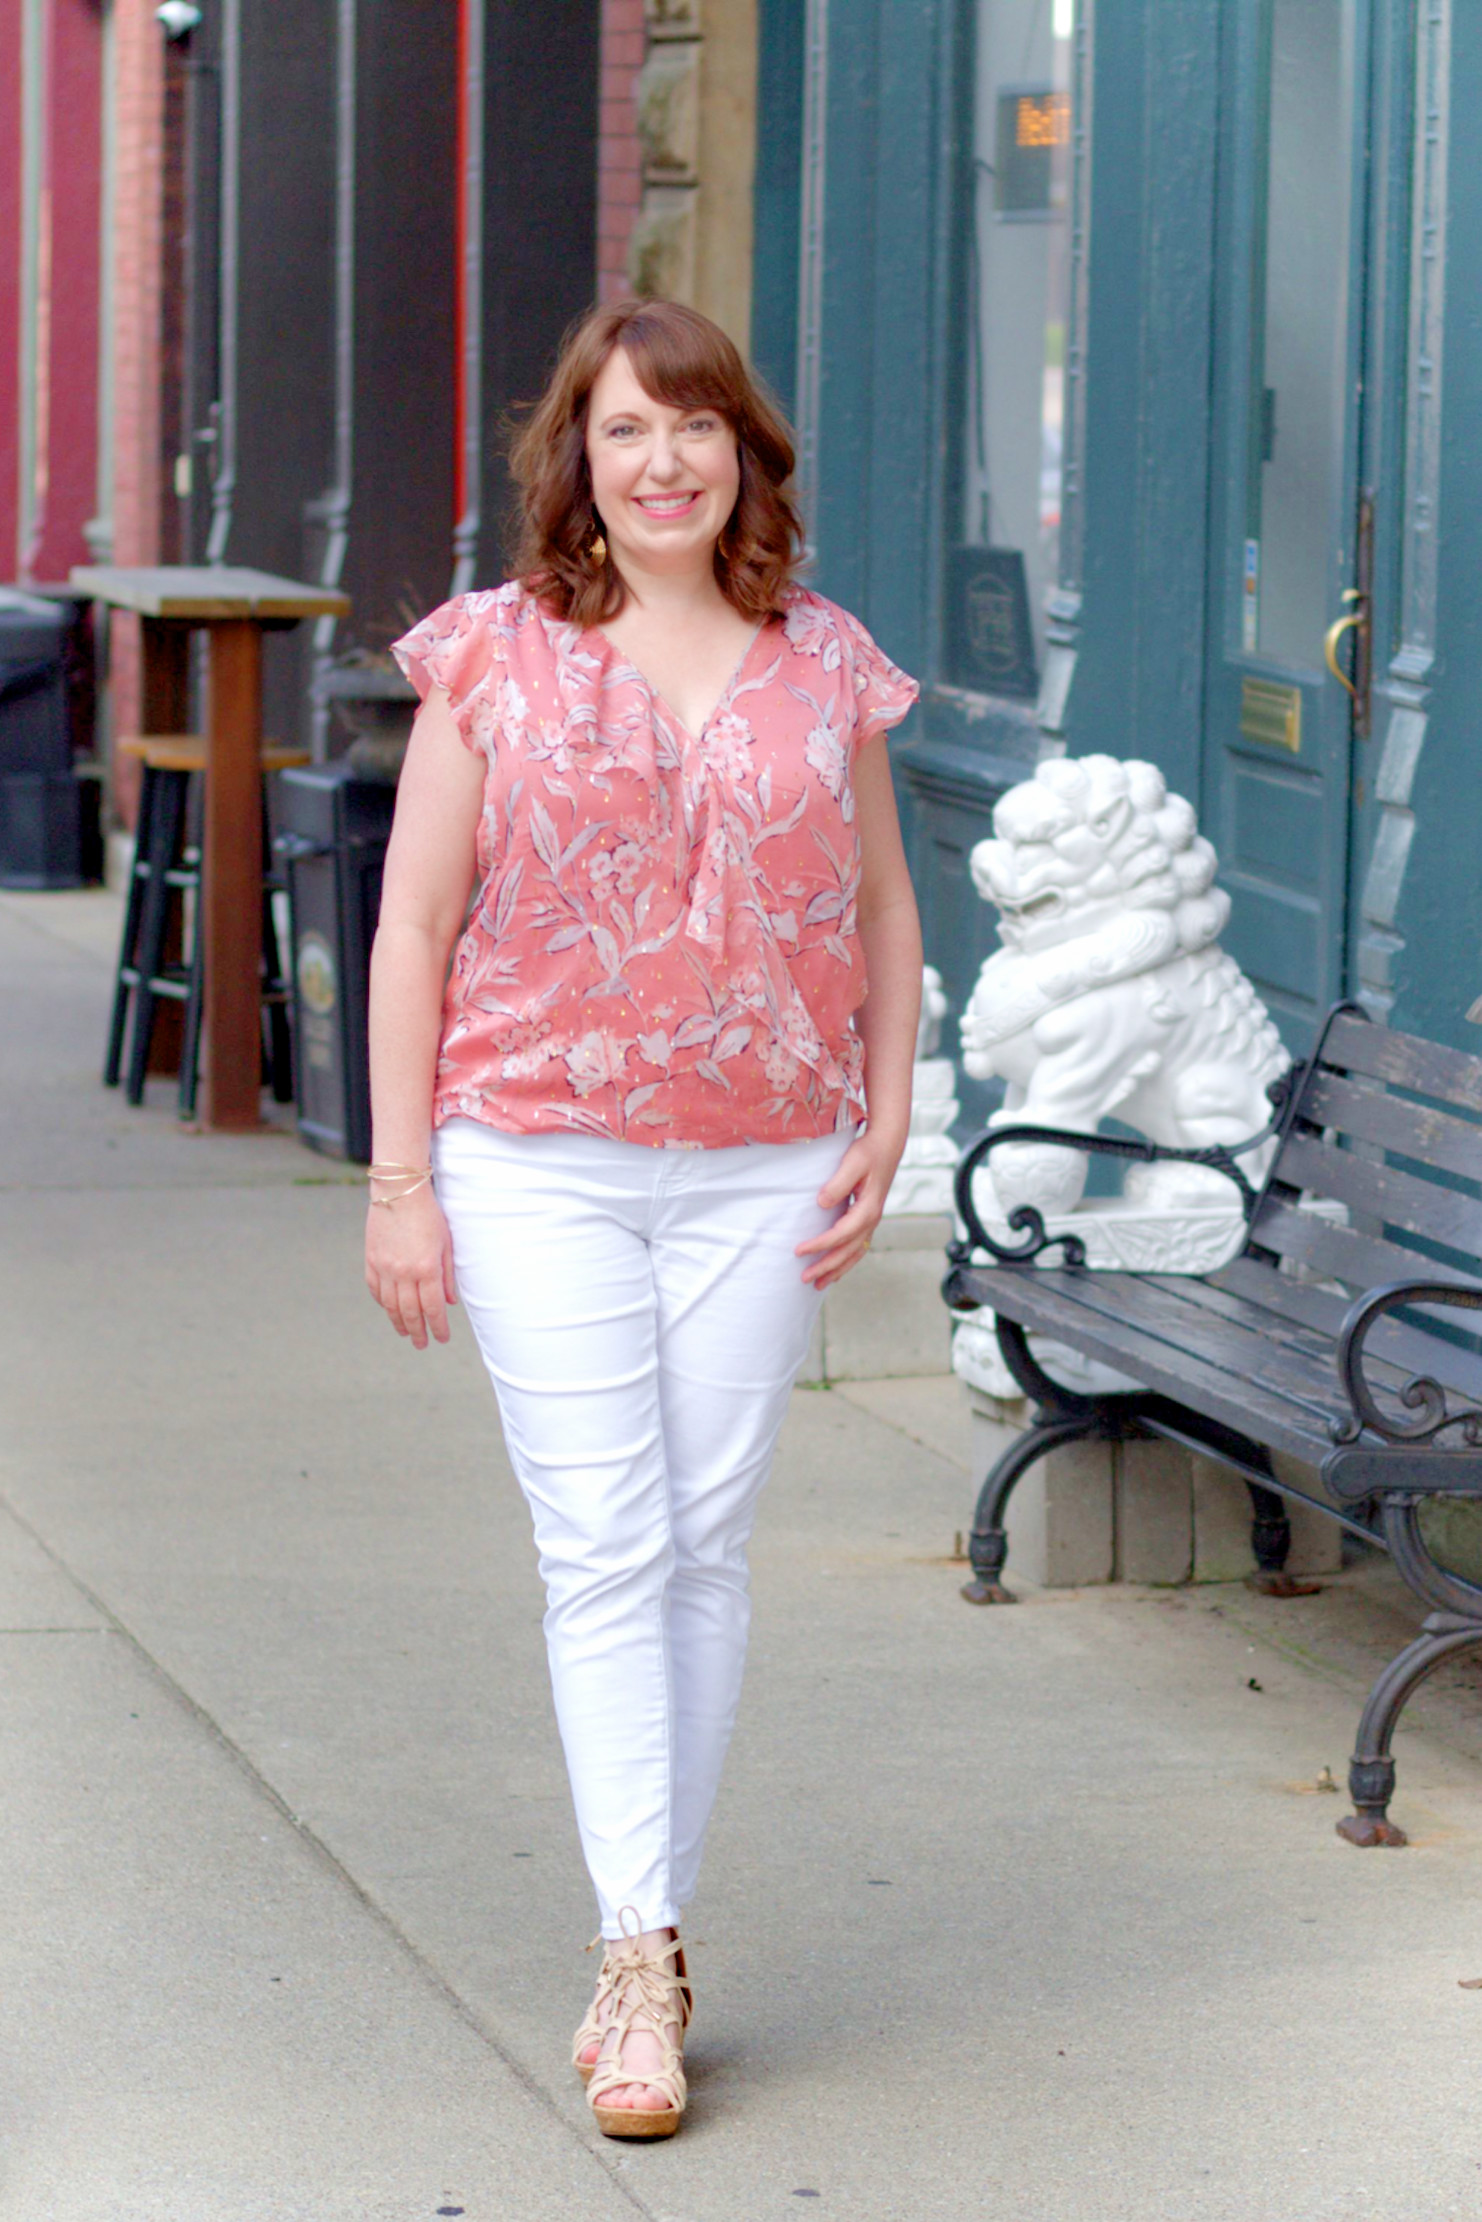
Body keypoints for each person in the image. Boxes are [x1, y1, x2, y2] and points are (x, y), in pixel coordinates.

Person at [366, 297, 922, 2139]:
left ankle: (646, 1934)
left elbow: (889, 912)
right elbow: (414, 929)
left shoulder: (823, 657)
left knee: (699, 1541)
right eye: (625, 431)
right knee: (605, 1540)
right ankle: (638, 1948)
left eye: (694, 428)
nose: (663, 460)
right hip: (537, 1155)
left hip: (767, 1162)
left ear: (741, 452)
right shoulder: (497, 656)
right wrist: (400, 1184)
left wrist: (890, 1111)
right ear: (577, 463)